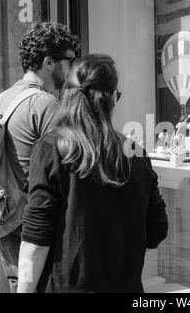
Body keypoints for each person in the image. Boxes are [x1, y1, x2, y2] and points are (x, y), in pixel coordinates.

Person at [17, 54, 168, 293]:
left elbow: (34, 242)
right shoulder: (136, 153)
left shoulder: (51, 149)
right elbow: (156, 232)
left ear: (65, 95)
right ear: (112, 100)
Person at [0, 22, 80, 293]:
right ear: (48, 62)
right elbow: (65, 171)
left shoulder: (2, 99)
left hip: (6, 223)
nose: (71, 70)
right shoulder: (46, 105)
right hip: (34, 230)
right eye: (69, 61)